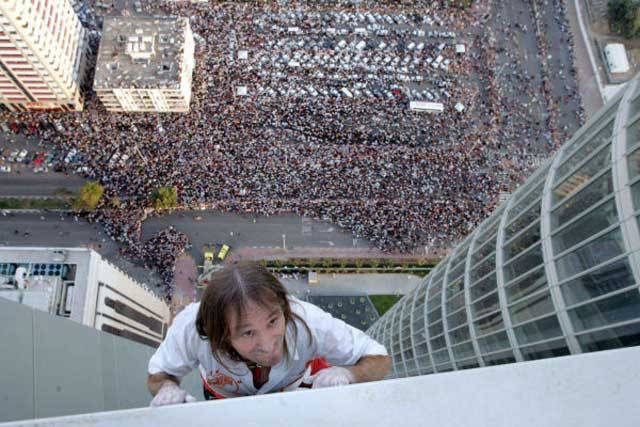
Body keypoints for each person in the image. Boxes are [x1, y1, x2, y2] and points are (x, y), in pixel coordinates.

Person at [147, 260, 391, 405]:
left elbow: (379, 358)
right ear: (219, 335)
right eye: (248, 333)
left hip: (297, 389)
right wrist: (167, 389)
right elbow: (159, 375)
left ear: (284, 307)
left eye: (273, 321)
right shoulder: (191, 326)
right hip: (225, 398)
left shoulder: (307, 319)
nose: (268, 345)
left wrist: (349, 373)